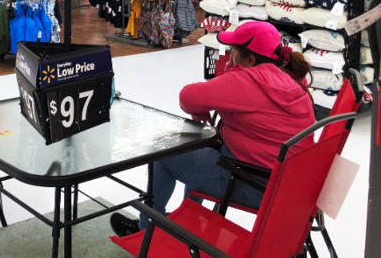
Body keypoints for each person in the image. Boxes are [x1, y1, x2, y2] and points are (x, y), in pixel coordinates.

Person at [110, 21, 315, 237]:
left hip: (249, 182)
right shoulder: (291, 79)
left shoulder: (248, 80)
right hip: (282, 184)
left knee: (163, 155)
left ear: (250, 60)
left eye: (233, 51)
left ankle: (145, 232)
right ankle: (186, 222)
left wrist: (226, 77)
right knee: (197, 153)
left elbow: (187, 96)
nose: (230, 56)